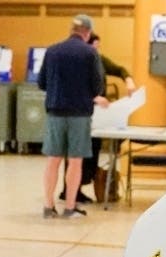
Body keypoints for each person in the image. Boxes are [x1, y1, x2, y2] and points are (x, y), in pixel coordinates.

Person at [37, 13, 106, 219]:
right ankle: (69, 207)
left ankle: (48, 206)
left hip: (55, 112)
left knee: (53, 160)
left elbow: (41, 83)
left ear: (72, 30)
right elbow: (97, 86)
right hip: (79, 114)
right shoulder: (90, 53)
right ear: (87, 33)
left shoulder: (52, 51)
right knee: (75, 162)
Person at [59, 32, 136, 204]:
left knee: (93, 150)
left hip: (97, 113)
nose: (97, 50)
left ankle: (78, 188)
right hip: (79, 112)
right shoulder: (78, 63)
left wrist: (128, 80)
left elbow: (119, 69)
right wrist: (94, 98)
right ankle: (70, 190)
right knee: (77, 152)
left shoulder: (99, 60)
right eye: (95, 46)